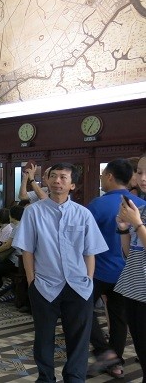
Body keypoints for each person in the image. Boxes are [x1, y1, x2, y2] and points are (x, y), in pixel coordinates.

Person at [13, 162, 108, 382]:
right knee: (43, 338)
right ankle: (45, 377)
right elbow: (27, 250)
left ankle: (74, 377)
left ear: (72, 184)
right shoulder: (33, 212)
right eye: (53, 176)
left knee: (78, 339)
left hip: (78, 286)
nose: (57, 181)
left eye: (63, 177)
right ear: (46, 181)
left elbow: (90, 252)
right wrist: (31, 282)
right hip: (45, 284)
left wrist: (89, 280)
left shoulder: (82, 214)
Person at [86, 159, 145, 378]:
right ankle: (116, 364)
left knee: (81, 309)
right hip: (127, 274)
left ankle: (105, 352)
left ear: (109, 176)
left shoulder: (98, 204)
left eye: (103, 175)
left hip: (99, 271)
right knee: (119, 319)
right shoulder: (139, 203)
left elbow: (84, 239)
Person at [115, 153, 146, 379]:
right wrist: (124, 228)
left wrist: (137, 224)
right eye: (140, 172)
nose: (143, 178)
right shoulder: (141, 209)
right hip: (133, 288)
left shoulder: (139, 215)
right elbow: (130, 253)